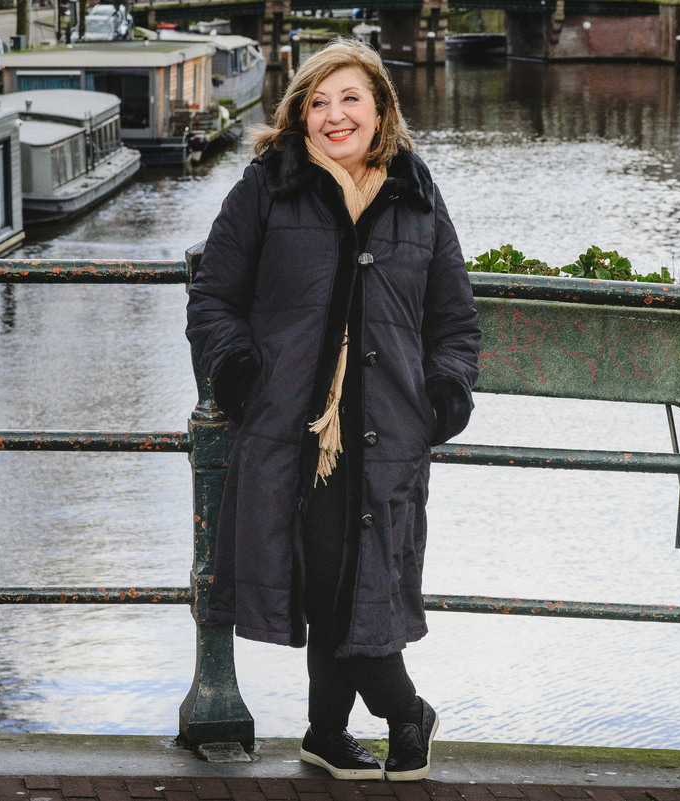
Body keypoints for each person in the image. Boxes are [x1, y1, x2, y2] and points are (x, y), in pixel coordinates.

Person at [186, 38, 480, 783]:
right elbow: (214, 295)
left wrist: (445, 394)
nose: (333, 115)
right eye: (317, 101)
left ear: (380, 108)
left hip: (388, 434)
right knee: (329, 585)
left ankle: (324, 732)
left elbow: (454, 317)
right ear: (298, 115)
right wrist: (238, 373)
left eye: (349, 98)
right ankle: (405, 711)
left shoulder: (415, 192)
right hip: (295, 431)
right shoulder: (268, 186)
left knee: (352, 585)